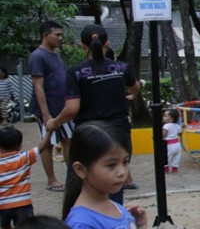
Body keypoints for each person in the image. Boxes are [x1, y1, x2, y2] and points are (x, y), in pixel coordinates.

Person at [47, 24, 140, 205]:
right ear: (108, 44)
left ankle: (76, 218)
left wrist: (54, 122)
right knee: (114, 182)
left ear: (83, 47)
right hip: (118, 132)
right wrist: (132, 94)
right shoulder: (122, 67)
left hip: (88, 135)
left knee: (78, 183)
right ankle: (113, 219)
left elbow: (72, 109)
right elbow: (135, 86)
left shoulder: (75, 73)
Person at [28, 21, 73, 191]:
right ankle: (52, 180)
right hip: (48, 107)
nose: (60, 38)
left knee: (68, 139)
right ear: (46, 35)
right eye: (57, 35)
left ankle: (72, 177)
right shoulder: (37, 56)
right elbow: (38, 86)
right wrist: (45, 113)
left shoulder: (55, 55)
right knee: (48, 142)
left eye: (61, 35)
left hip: (61, 105)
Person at [0, 125, 53, 229]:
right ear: (20, 146)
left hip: (2, 205)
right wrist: (49, 132)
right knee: (26, 228)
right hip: (22, 204)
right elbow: (41, 147)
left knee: (5, 226)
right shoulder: (24, 158)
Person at [162, 109, 183, 173]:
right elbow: (180, 134)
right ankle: (175, 168)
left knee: (167, 157)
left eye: (165, 116)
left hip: (169, 145)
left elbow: (164, 135)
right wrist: (182, 127)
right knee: (177, 156)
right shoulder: (177, 126)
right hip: (177, 144)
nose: (163, 117)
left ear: (171, 119)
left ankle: (166, 168)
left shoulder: (166, 126)